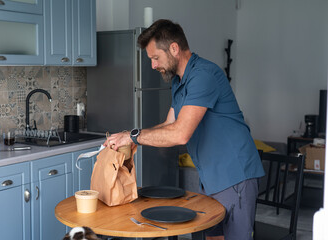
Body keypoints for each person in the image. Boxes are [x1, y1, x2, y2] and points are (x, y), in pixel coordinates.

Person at [104, 19, 265, 240]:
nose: (152, 65)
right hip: (210, 177)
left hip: (235, 175)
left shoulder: (203, 75)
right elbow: (170, 125)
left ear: (174, 48)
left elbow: (180, 133)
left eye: (155, 58)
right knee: (213, 236)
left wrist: (135, 136)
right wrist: (132, 138)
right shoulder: (179, 82)